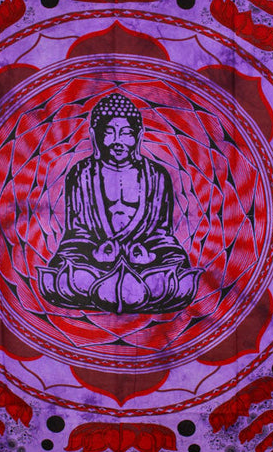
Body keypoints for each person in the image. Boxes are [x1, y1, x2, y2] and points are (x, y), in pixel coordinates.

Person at [37, 93, 200, 314]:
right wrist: (96, 254)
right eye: (109, 133)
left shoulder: (157, 175)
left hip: (145, 260)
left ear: (139, 136)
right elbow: (76, 234)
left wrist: (149, 256)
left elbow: (162, 234)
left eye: (126, 133)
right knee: (69, 264)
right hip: (93, 262)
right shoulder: (81, 173)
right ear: (94, 135)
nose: (118, 141)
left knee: (175, 260)